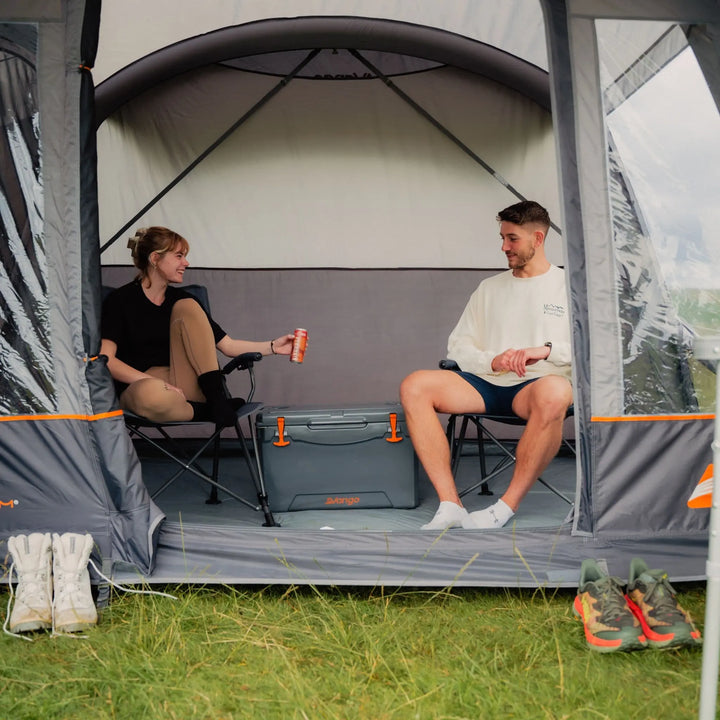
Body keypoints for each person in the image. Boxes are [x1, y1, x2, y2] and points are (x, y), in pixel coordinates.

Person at [400, 200, 572, 530]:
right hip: (487, 383)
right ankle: (450, 504)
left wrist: (545, 351)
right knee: (415, 384)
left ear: (538, 239)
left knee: (555, 391)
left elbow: (589, 348)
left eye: (512, 239)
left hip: (537, 387)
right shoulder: (489, 288)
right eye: (502, 238)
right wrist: (492, 360)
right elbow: (459, 346)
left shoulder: (568, 287)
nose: (504, 247)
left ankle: (505, 507)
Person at [101, 226, 295, 426]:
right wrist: (157, 384)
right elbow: (107, 360)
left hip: (188, 386)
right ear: (155, 259)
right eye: (178, 256)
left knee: (186, 306)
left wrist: (273, 346)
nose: (186, 263)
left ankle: (217, 399)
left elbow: (228, 345)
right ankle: (213, 410)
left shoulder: (185, 301)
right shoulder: (120, 301)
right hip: (144, 388)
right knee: (152, 396)